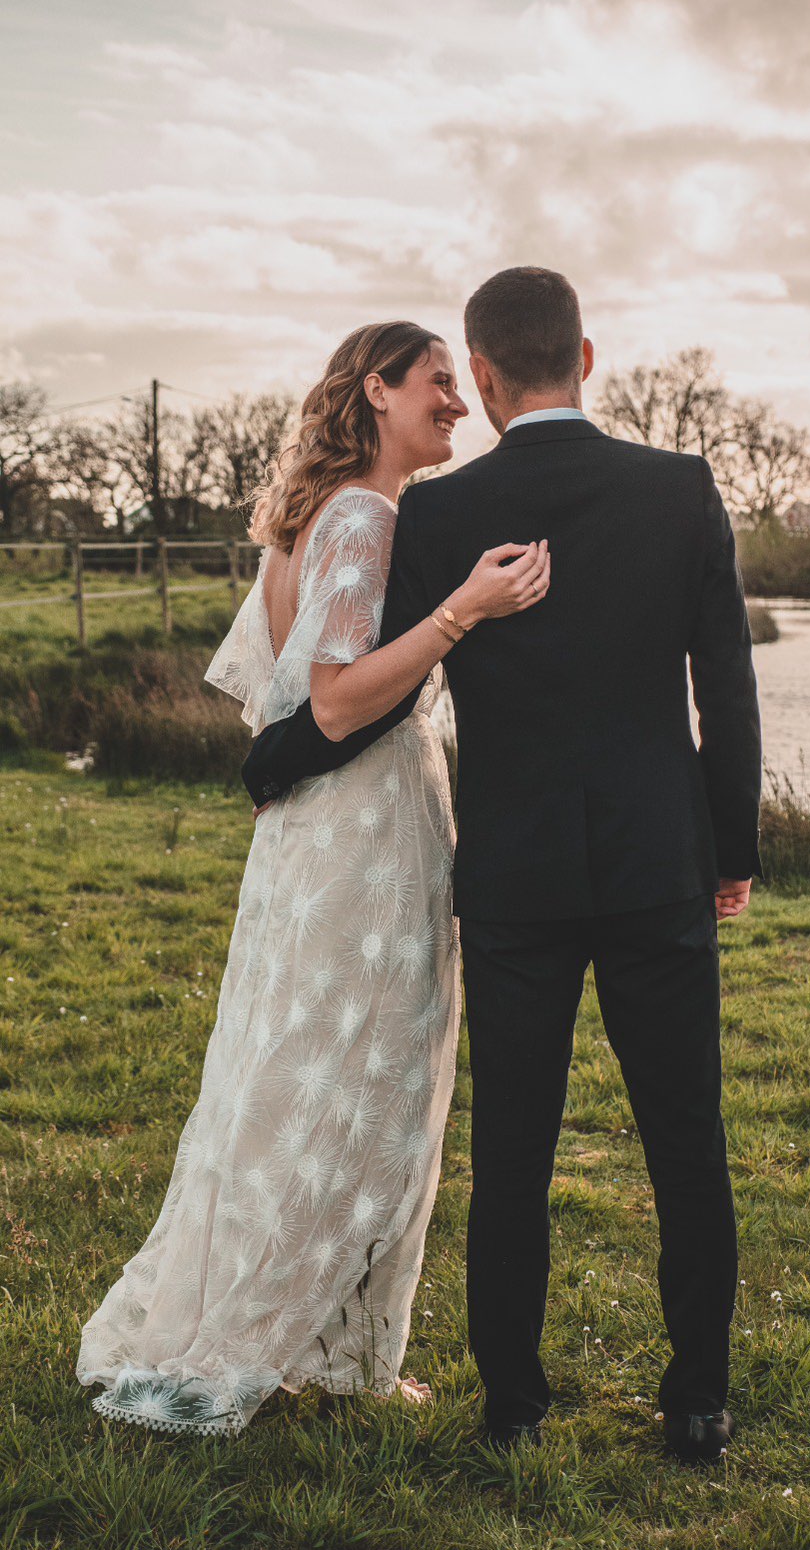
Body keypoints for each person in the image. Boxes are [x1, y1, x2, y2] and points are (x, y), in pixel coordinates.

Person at [241, 267, 764, 1462]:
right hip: (656, 868)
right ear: (587, 356)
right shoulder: (681, 491)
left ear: (481, 373)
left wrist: (279, 755)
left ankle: (515, 1407)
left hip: (516, 878)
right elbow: (723, 692)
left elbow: (388, 688)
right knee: (687, 1137)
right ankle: (696, 1404)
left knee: (513, 1149)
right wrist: (728, 850)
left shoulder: (432, 515)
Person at [76, 320, 550, 1437]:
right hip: (368, 841)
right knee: (362, 1090)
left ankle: (305, 1339)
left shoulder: (310, 517)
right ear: (378, 390)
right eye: (438, 383)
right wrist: (459, 617)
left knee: (292, 1076)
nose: (457, 402)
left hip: (315, 831)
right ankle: (290, 1342)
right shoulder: (363, 518)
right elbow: (335, 700)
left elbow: (273, 704)